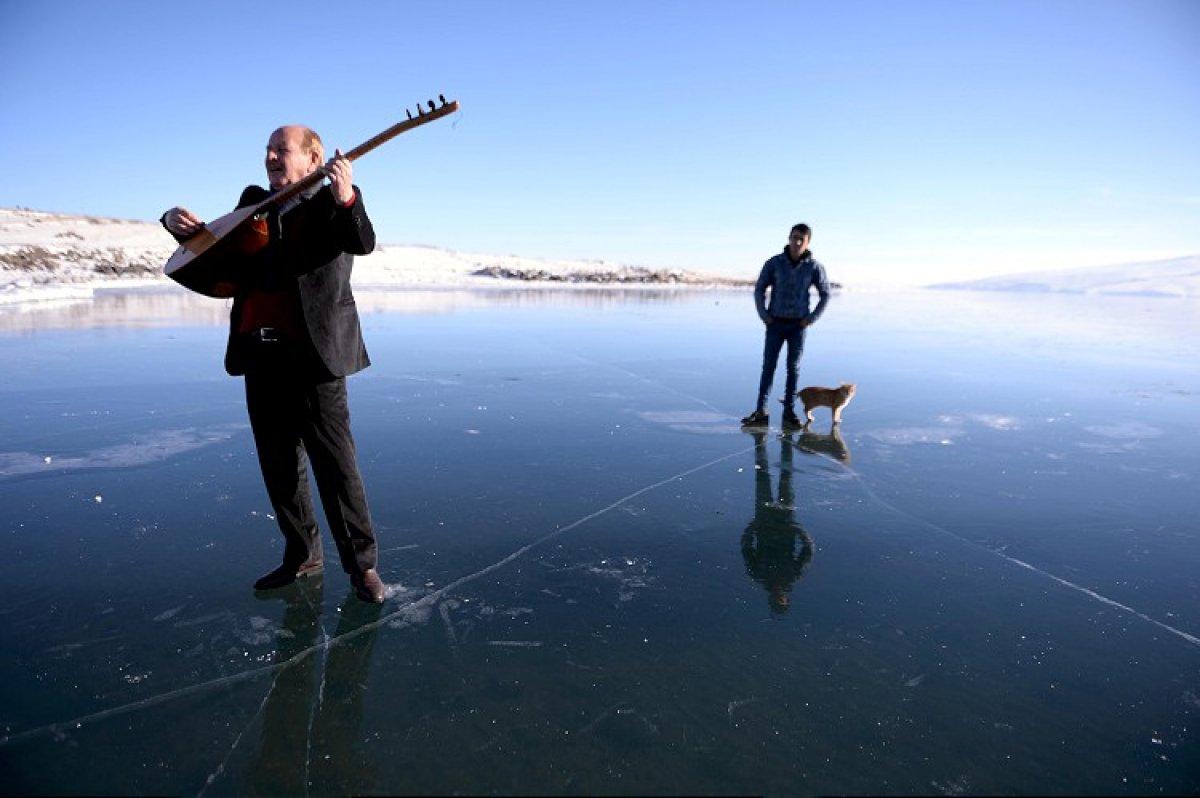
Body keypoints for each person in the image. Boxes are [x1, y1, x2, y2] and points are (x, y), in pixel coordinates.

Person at [161, 124, 385, 603]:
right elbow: (211, 253)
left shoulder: (333, 201)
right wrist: (173, 222)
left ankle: (362, 568)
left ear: (312, 157)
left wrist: (345, 195)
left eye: (280, 150)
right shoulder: (252, 203)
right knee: (279, 465)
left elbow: (361, 239)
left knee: (336, 466)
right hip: (261, 353)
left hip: (316, 355)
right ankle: (302, 554)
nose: (269, 157)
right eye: (266, 150)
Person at [741, 223, 831, 429]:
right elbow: (759, 289)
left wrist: (811, 318)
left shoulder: (814, 267)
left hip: (798, 326)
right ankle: (761, 410)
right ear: (789, 238)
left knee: (793, 368)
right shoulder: (774, 263)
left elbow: (825, 294)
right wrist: (764, 315)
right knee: (768, 367)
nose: (797, 242)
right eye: (794, 237)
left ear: (808, 242)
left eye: (802, 239)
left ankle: (789, 411)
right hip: (775, 324)